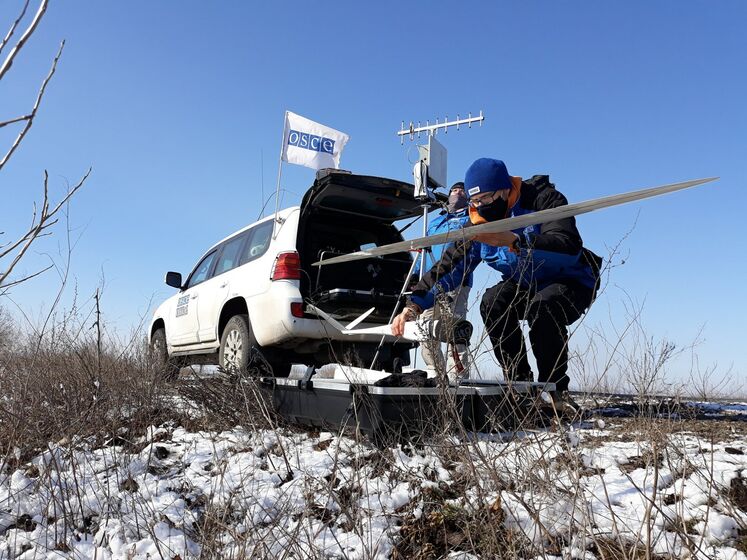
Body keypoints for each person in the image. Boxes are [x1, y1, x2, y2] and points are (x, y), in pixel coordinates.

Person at [393, 158, 601, 411]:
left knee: (543, 308)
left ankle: (555, 391)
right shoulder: (477, 223)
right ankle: (520, 386)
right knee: (493, 301)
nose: (481, 206)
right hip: (524, 283)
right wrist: (414, 303)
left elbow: (567, 246)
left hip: (570, 278)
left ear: (504, 189)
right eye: (475, 202)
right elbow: (449, 266)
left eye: (487, 198)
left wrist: (517, 241)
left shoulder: (543, 199)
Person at [411, 182, 473, 379]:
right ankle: (436, 374)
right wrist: (416, 275)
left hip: (455, 281)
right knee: (425, 328)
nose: (457, 193)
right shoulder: (435, 222)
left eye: (461, 190)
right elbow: (424, 249)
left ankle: (458, 378)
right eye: (453, 190)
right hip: (430, 283)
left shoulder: (471, 218)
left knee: (455, 330)